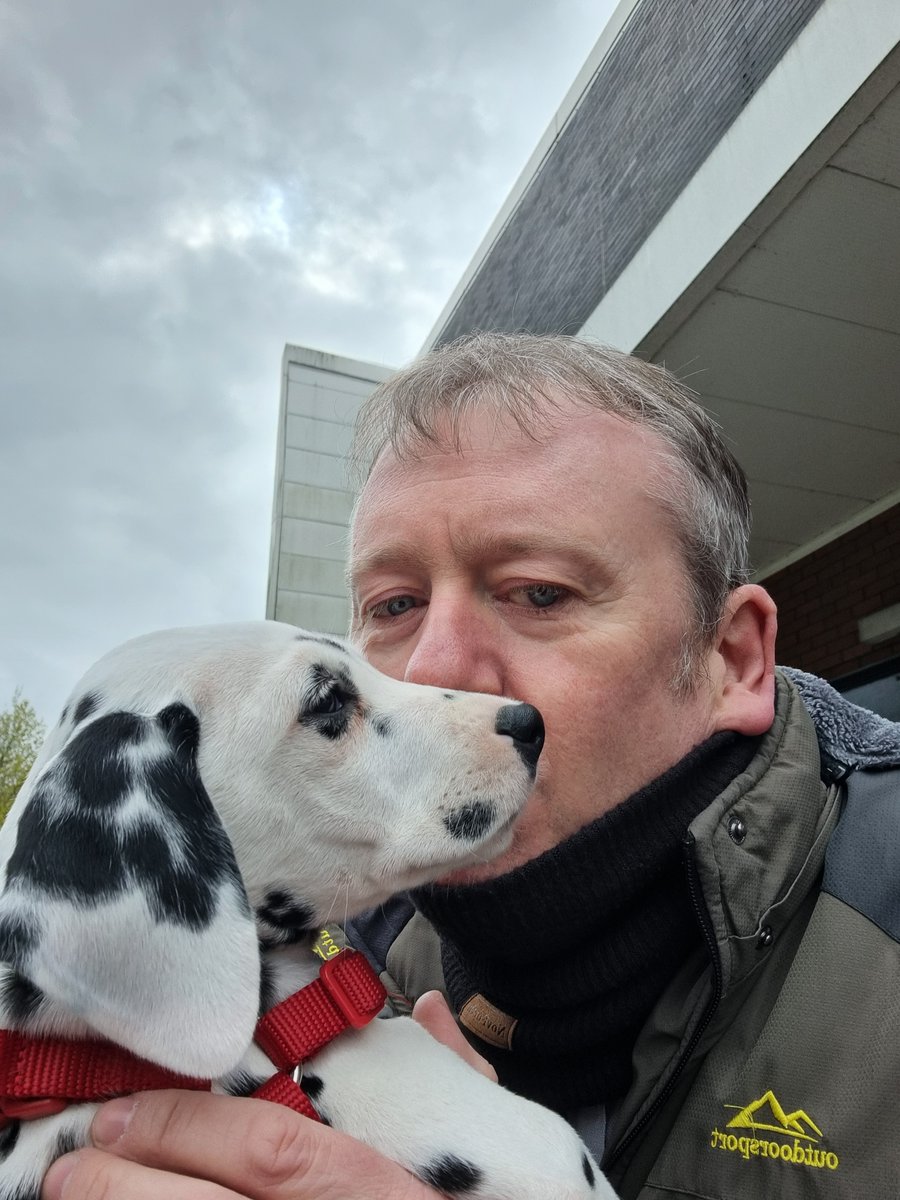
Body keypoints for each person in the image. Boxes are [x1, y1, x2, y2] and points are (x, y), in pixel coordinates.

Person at [44, 333, 900, 1200]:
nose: (429, 669)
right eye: (395, 605)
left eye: (540, 592)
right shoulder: (273, 957)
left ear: (733, 659)